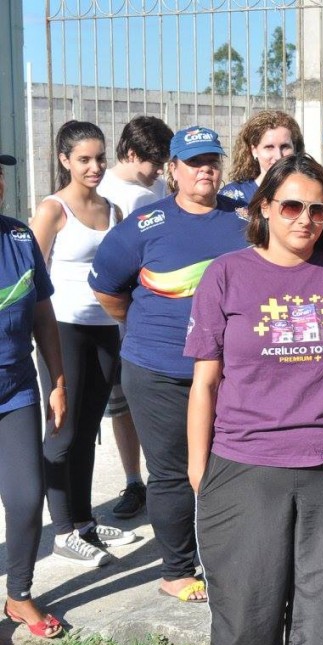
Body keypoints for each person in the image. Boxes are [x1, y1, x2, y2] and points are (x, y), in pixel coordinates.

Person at [187, 153, 323, 645]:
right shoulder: (226, 275)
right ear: (264, 208)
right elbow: (205, 383)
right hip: (245, 470)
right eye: (292, 206)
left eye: (318, 210)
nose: (305, 219)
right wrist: (199, 471)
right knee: (244, 628)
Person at [89, 125, 248, 603]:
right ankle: (177, 569)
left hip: (227, 372)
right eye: (193, 161)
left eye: (211, 160)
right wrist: (145, 327)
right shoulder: (144, 224)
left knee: (230, 466)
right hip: (157, 372)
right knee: (173, 472)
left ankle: (227, 556)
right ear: (172, 170)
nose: (205, 169)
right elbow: (107, 290)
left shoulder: (243, 221)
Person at [29, 121, 137, 568]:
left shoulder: (113, 209)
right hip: (63, 328)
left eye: (99, 158)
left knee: (89, 427)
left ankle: (83, 520)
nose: (94, 167)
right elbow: (29, 275)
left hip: (104, 329)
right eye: (83, 159)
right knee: (64, 428)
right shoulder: (53, 209)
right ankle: (62, 532)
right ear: (64, 161)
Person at [0, 152, 66, 639]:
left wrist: (57, 381)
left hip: (16, 390)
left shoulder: (19, 239)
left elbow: (43, 315)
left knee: (26, 497)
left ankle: (18, 594)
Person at [97, 115, 175, 520]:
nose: (159, 170)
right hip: (118, 321)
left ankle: (167, 476)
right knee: (122, 405)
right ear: (131, 153)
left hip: (156, 323)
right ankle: (133, 481)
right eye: (155, 161)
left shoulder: (159, 188)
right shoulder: (107, 192)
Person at [219, 110, 303, 204]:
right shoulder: (234, 196)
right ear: (254, 151)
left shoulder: (308, 191)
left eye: (285, 147)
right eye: (269, 147)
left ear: (295, 148)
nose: (278, 156)